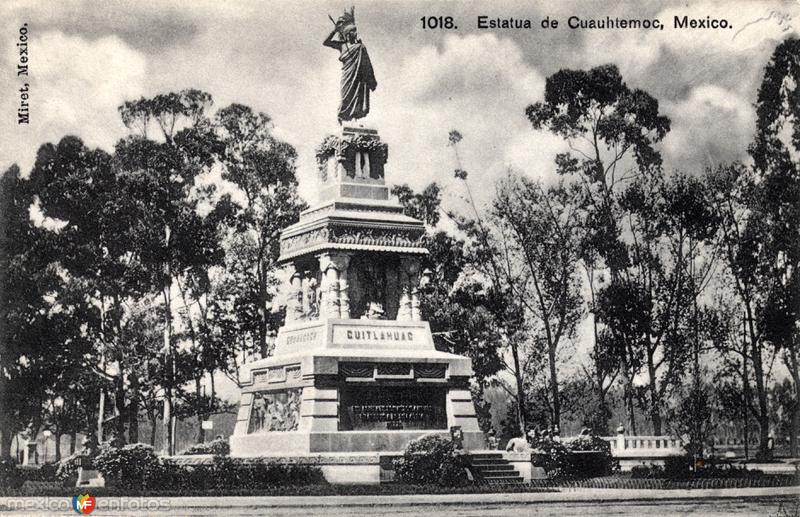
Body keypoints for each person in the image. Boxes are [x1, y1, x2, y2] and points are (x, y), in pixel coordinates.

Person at [324, 7, 377, 123]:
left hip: (358, 77)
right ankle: (341, 116)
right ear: (347, 34)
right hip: (348, 76)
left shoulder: (360, 47)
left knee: (358, 97)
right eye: (353, 31)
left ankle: (354, 119)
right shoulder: (341, 46)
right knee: (345, 98)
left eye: (355, 30)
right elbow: (326, 42)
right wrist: (334, 30)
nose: (355, 33)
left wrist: (371, 79)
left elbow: (367, 64)